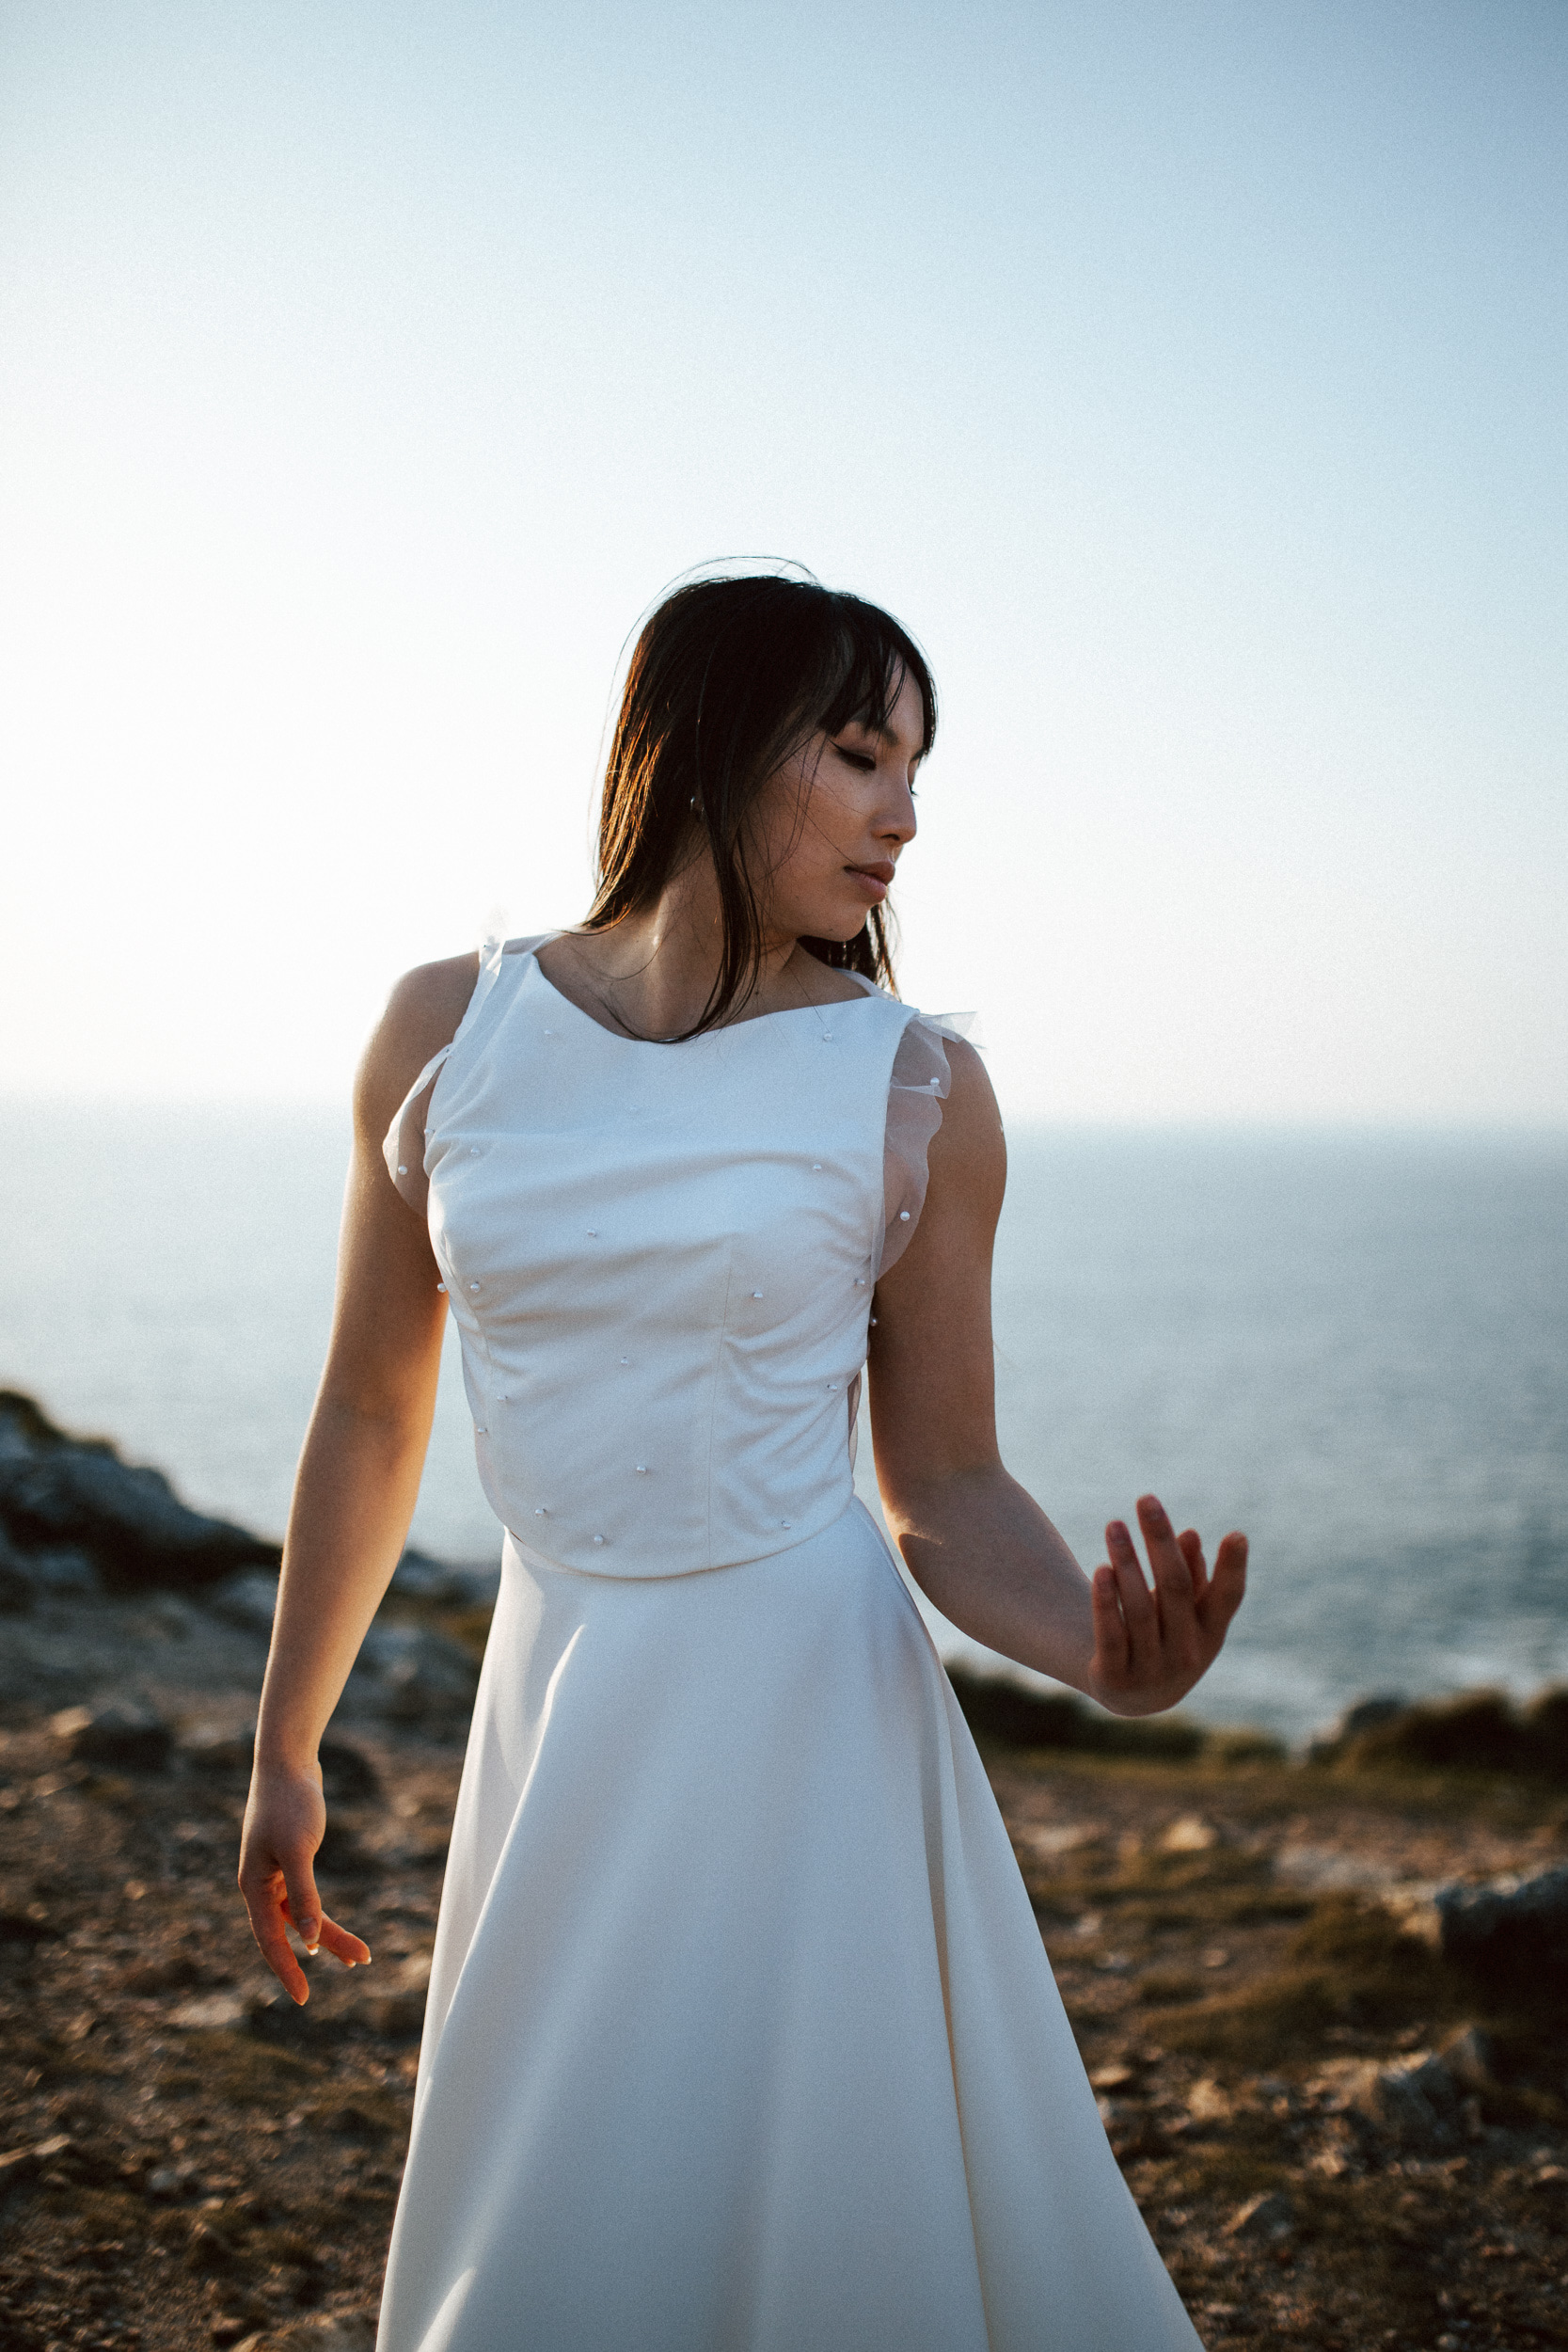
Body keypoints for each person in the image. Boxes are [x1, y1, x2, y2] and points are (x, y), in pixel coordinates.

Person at [239, 573, 1247, 2351]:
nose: (903, 814)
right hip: (555, 1713)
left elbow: (938, 1485)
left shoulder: (911, 1084)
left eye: (918, 769)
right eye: (860, 753)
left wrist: (1106, 1659)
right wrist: (286, 1745)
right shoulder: (440, 1033)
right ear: (706, 741)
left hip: (810, 1731)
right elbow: (373, 1416)